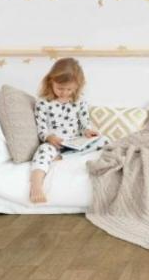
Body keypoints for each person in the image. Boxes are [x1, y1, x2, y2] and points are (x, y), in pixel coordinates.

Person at [29, 57, 101, 204]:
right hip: (54, 143)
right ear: (51, 82)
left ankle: (63, 157)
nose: (64, 93)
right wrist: (49, 137)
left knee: (104, 140)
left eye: (69, 89)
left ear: (77, 86)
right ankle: (36, 187)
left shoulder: (79, 101)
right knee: (42, 151)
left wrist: (88, 131)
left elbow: (84, 123)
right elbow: (41, 128)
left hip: (76, 142)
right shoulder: (43, 103)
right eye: (60, 88)